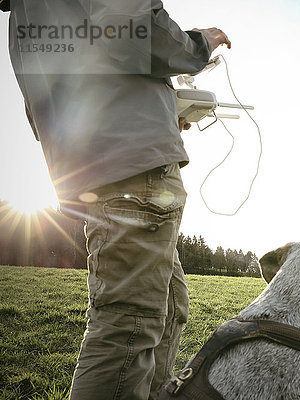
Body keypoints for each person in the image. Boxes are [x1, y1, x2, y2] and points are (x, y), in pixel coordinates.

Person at [3, 0, 230, 398]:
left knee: (170, 306)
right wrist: (200, 43)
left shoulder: (28, 12)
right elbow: (133, 28)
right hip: (134, 170)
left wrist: (159, 109)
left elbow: (82, 73)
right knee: (129, 325)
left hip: (103, 164)